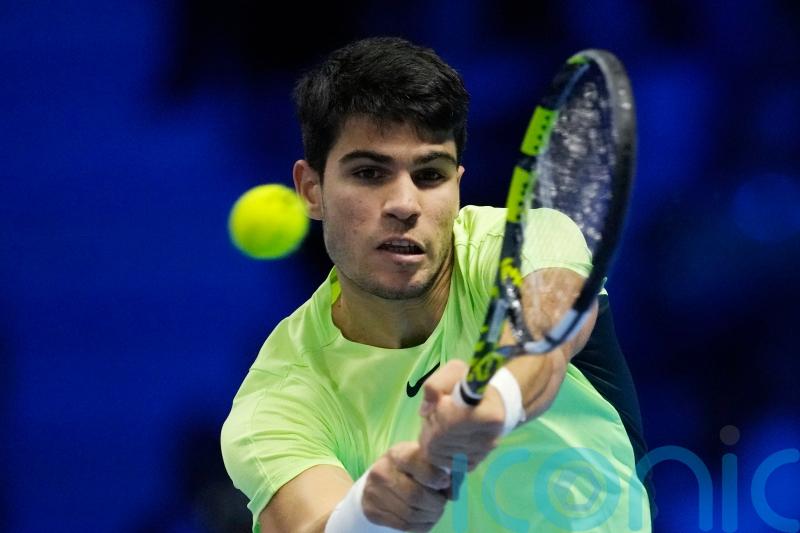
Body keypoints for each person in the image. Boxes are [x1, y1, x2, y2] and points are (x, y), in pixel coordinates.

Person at [221, 36, 652, 532]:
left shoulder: (526, 241)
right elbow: (307, 522)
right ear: (312, 190)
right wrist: (369, 515)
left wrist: (494, 399)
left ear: (457, 184)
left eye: (429, 175)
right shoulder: (280, 393)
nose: (405, 203)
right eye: (369, 172)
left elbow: (544, 339)